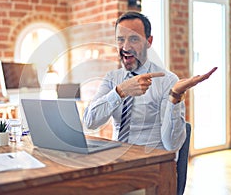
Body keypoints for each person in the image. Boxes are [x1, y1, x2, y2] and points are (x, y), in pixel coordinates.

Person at [83, 11, 217, 153]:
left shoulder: (168, 81)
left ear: (149, 42)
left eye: (134, 39)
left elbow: (172, 145)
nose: (126, 47)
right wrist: (120, 91)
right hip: (118, 162)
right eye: (120, 39)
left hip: (152, 165)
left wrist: (175, 96)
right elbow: (89, 123)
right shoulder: (112, 79)